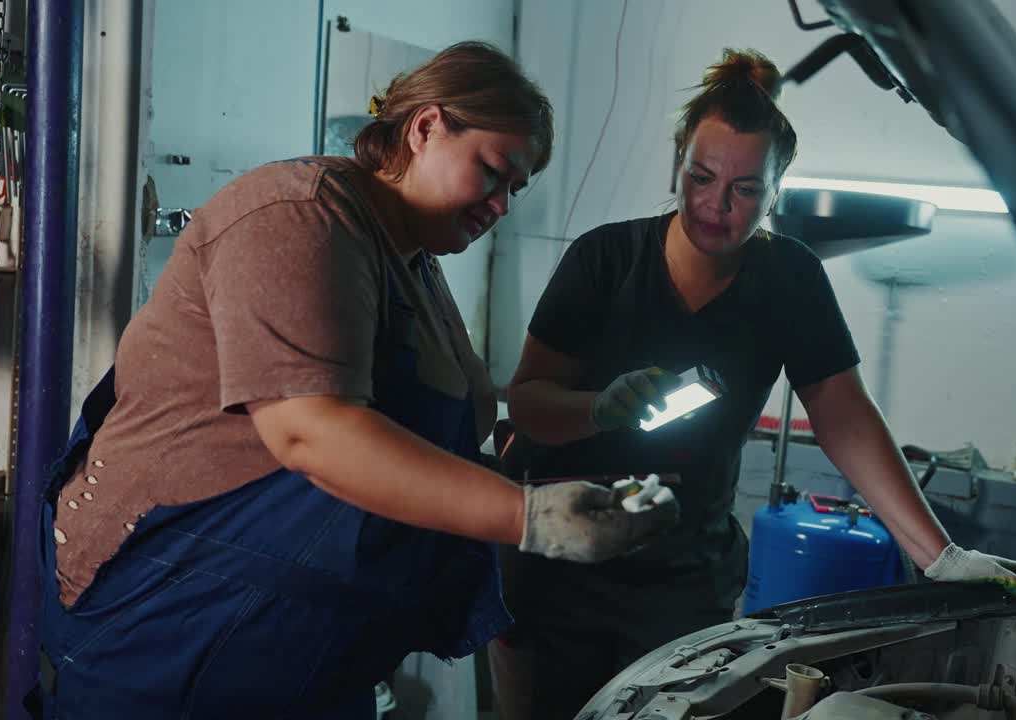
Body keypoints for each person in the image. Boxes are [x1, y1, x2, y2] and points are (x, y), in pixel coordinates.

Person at [33, 41, 676, 720]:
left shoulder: (414, 265)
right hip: (173, 619)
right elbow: (312, 432)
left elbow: (451, 431)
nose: (502, 206)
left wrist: (587, 445)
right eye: (494, 172)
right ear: (426, 127)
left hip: (302, 635)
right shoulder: (297, 213)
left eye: (516, 189)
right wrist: (529, 517)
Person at [489, 49, 1016, 719]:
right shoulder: (605, 260)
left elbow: (845, 420)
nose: (716, 205)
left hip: (682, 579)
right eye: (700, 177)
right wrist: (599, 410)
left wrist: (941, 556)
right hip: (558, 568)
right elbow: (530, 404)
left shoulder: (791, 281)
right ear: (677, 166)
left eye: (745, 189)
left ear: (778, 189)